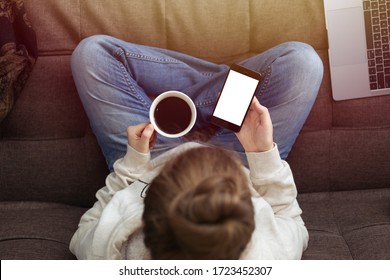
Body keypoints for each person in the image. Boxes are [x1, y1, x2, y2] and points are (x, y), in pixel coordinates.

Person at [69, 35, 324, 259]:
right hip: (244, 157)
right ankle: (210, 100)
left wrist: (133, 164)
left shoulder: (106, 254)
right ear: (247, 232)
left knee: (92, 53)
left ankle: (185, 107)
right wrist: (261, 153)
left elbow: (88, 225)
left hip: (152, 155)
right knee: (303, 62)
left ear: (147, 217)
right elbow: (290, 219)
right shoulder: (268, 256)